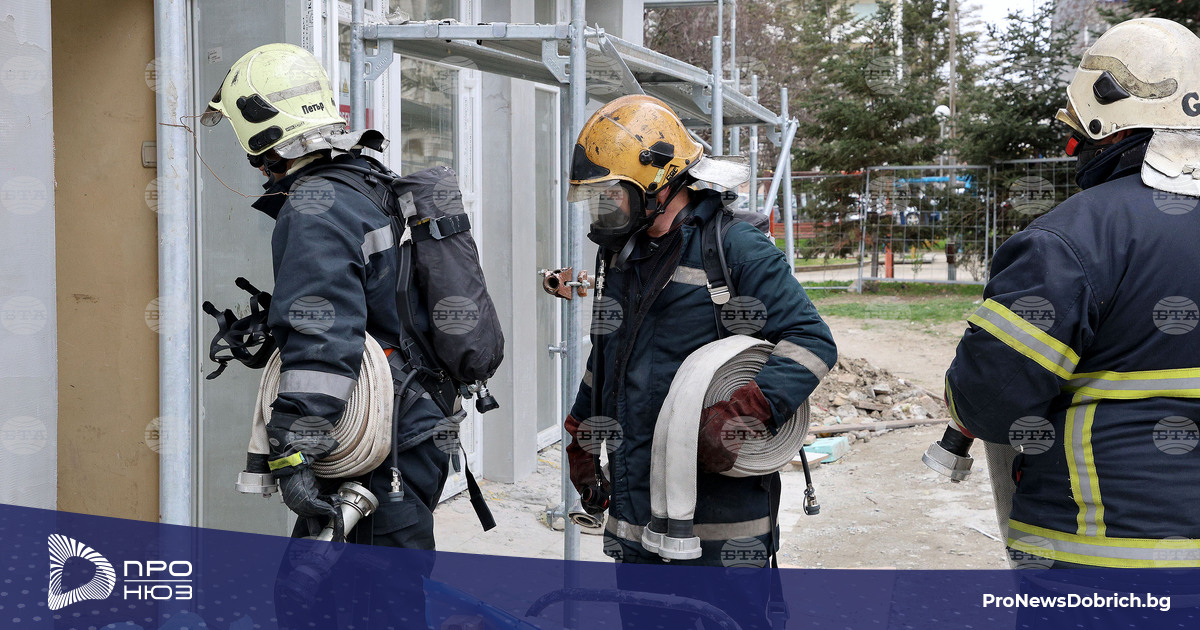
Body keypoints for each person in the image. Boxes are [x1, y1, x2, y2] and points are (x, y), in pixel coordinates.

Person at [563, 94, 837, 626]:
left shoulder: (735, 249)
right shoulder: (623, 255)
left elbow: (811, 339)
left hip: (721, 525)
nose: (605, 209)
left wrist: (741, 413)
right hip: (637, 511)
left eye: (614, 194)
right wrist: (581, 428)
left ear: (662, 183)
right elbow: (608, 354)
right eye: (598, 198)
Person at [945, 18, 1200, 569]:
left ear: (1107, 126)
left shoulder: (1070, 239)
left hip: (1104, 562)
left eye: (1078, 133)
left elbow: (989, 404)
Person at [201, 43, 450, 551]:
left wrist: (294, 449)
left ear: (264, 139)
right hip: (414, 422)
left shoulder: (314, 210)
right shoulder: (365, 180)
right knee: (328, 585)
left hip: (383, 444)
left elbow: (323, 337)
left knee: (359, 590)